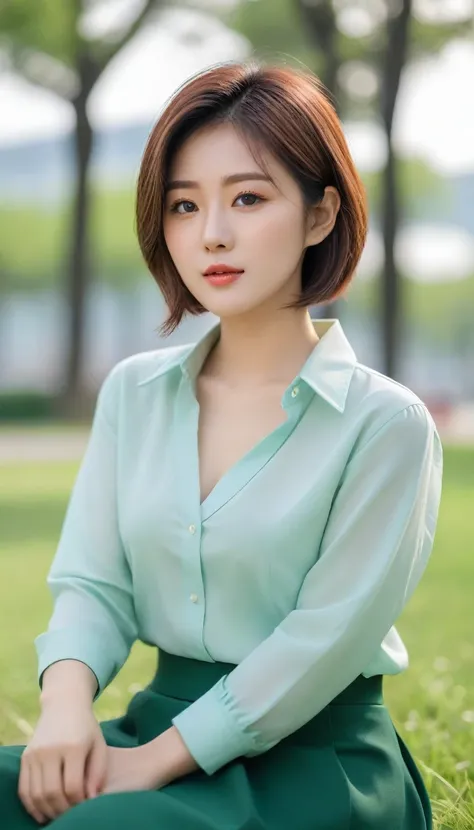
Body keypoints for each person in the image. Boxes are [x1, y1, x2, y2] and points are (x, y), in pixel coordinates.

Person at [0, 60, 443, 829]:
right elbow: (95, 584)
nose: (211, 234)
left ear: (319, 214)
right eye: (183, 204)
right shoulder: (135, 394)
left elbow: (319, 645)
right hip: (153, 722)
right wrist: (67, 712)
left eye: (247, 197)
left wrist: (152, 762)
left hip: (313, 758)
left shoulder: (387, 424)